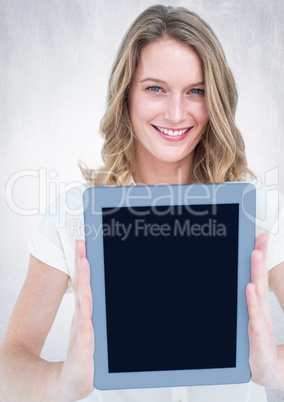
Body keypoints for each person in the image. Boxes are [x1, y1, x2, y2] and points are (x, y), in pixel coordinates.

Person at [0, 4, 284, 402]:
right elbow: (10, 362)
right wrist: (62, 382)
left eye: (196, 91)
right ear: (126, 95)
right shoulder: (73, 214)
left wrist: (274, 367)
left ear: (215, 98)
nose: (176, 112)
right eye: (155, 88)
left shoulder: (260, 209)